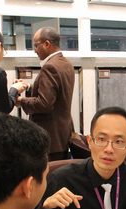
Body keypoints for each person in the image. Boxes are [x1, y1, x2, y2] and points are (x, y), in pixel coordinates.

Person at [18, 27, 75, 161]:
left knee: (49, 173)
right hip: (62, 135)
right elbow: (56, 93)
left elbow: (44, 104)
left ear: (47, 44)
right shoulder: (66, 64)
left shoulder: (50, 67)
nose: (35, 50)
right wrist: (29, 86)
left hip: (50, 138)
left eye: (36, 45)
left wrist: (20, 100)